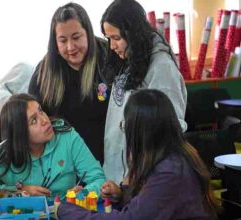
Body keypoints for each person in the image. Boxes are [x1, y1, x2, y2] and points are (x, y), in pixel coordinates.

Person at [58, 89, 219, 219]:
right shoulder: (170, 156)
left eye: (126, 125)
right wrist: (121, 195)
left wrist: (69, 211)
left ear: (139, 132)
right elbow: (149, 206)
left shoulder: (169, 171)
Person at [101, 0, 188, 183]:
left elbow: (172, 127)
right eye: (109, 39)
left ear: (133, 34)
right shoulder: (128, 59)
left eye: (116, 38)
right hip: (118, 175)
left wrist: (137, 175)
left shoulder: (161, 67)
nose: (112, 46)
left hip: (142, 178)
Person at [0, 93, 106, 201]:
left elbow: (99, 179)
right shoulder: (6, 151)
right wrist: (18, 192)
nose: (45, 120)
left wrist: (84, 194)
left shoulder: (67, 137)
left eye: (41, 111)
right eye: (34, 120)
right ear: (20, 133)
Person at [28, 2, 110, 165]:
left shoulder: (108, 57)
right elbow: (31, 122)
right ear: (55, 43)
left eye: (76, 37)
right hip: (63, 164)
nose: (71, 47)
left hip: (108, 159)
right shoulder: (45, 72)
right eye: (63, 40)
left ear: (88, 32)